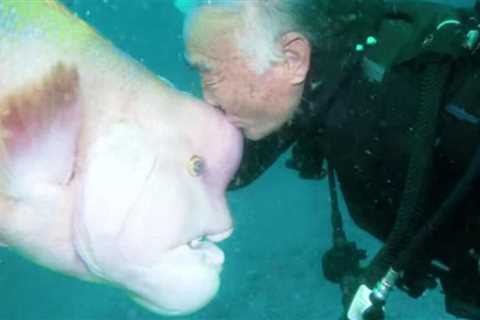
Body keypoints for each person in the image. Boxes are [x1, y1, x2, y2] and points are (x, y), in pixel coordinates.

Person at [182, 0, 480, 319]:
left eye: (210, 75)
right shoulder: (319, 84)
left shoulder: (427, 92)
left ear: (292, 57)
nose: (207, 98)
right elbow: (226, 165)